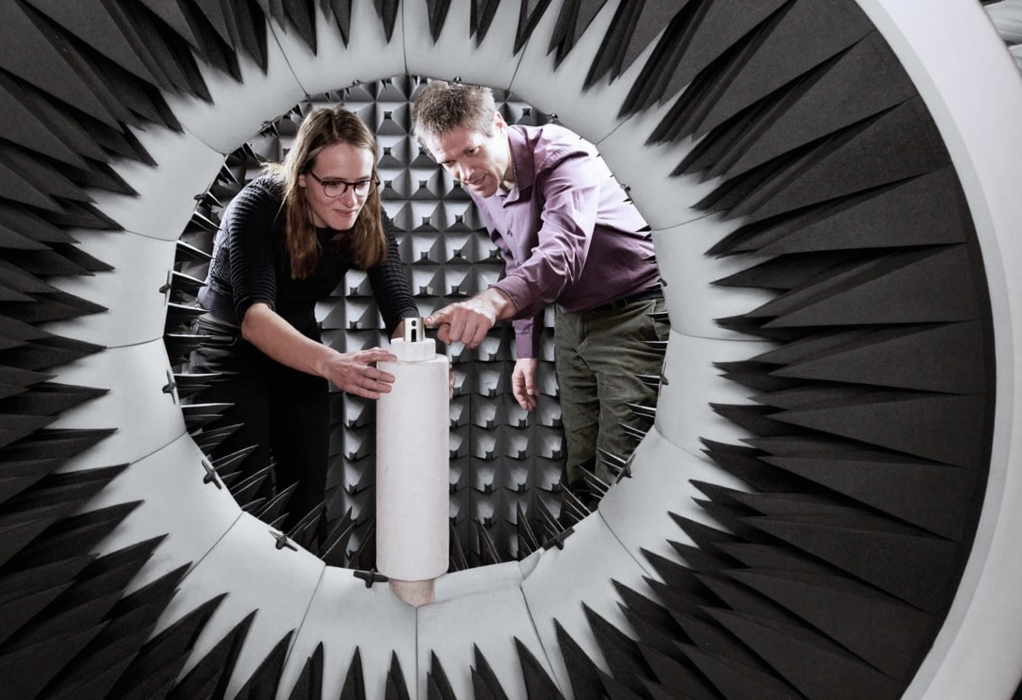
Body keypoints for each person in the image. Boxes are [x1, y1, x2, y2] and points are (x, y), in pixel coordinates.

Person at [413, 82, 666, 491]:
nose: (463, 173)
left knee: (623, 468)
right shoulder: (482, 179)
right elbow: (517, 258)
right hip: (572, 321)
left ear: (497, 124)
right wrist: (526, 351)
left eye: (471, 151)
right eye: (448, 162)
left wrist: (492, 303)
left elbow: (560, 253)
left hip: (632, 316)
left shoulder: (563, 155)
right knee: (580, 462)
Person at [191, 106, 418, 527]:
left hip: (299, 342)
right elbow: (255, 317)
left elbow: (399, 303)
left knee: (308, 496)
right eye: (333, 184)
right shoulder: (257, 206)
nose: (351, 199)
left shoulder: (366, 209)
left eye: (362, 183)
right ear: (302, 176)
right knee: (243, 496)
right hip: (231, 348)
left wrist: (425, 362)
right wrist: (334, 365)